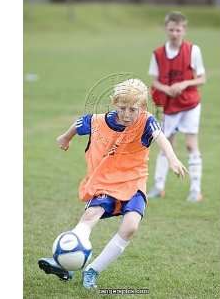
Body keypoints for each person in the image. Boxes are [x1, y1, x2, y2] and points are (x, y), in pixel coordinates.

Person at [38, 78, 187, 289]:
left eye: (133, 109)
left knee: (131, 226)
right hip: (105, 182)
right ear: (113, 103)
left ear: (143, 107)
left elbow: (160, 137)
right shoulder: (99, 121)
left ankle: (92, 270)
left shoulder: (147, 121)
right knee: (90, 216)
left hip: (133, 182)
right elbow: (80, 123)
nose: (127, 114)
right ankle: (64, 261)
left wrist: (172, 158)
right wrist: (65, 137)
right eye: (122, 108)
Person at [147, 12, 206, 202]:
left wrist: (184, 84)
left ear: (184, 30)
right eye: (171, 29)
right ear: (166, 29)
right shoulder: (158, 53)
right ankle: (158, 187)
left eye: (178, 30)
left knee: (190, 145)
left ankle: (195, 190)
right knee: (166, 145)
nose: (174, 33)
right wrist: (166, 88)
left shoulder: (193, 50)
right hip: (168, 106)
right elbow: (154, 81)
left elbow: (202, 78)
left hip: (189, 104)